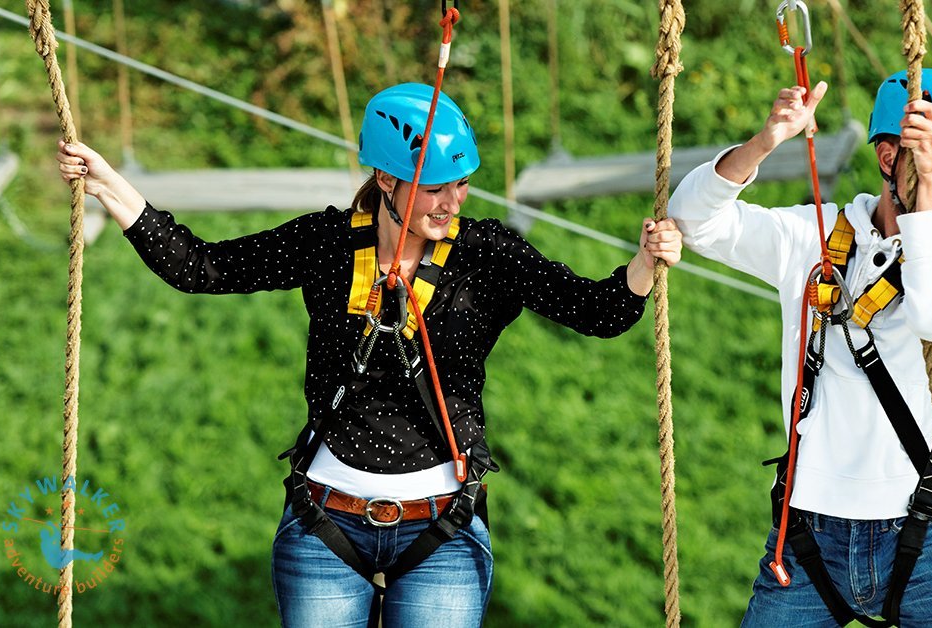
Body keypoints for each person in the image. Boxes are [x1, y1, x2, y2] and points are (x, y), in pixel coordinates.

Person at [57, 82, 683, 627]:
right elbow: (203, 267)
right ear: (386, 180)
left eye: (460, 185)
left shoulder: (487, 254)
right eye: (434, 189)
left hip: (441, 529)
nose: (452, 202)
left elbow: (595, 311)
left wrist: (644, 264)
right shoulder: (327, 242)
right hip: (326, 524)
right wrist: (110, 186)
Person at [668, 69, 932, 626]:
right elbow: (692, 219)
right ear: (886, 158)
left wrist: (924, 189)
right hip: (809, 537)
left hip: (919, 531)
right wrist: (765, 142)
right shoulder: (816, 235)